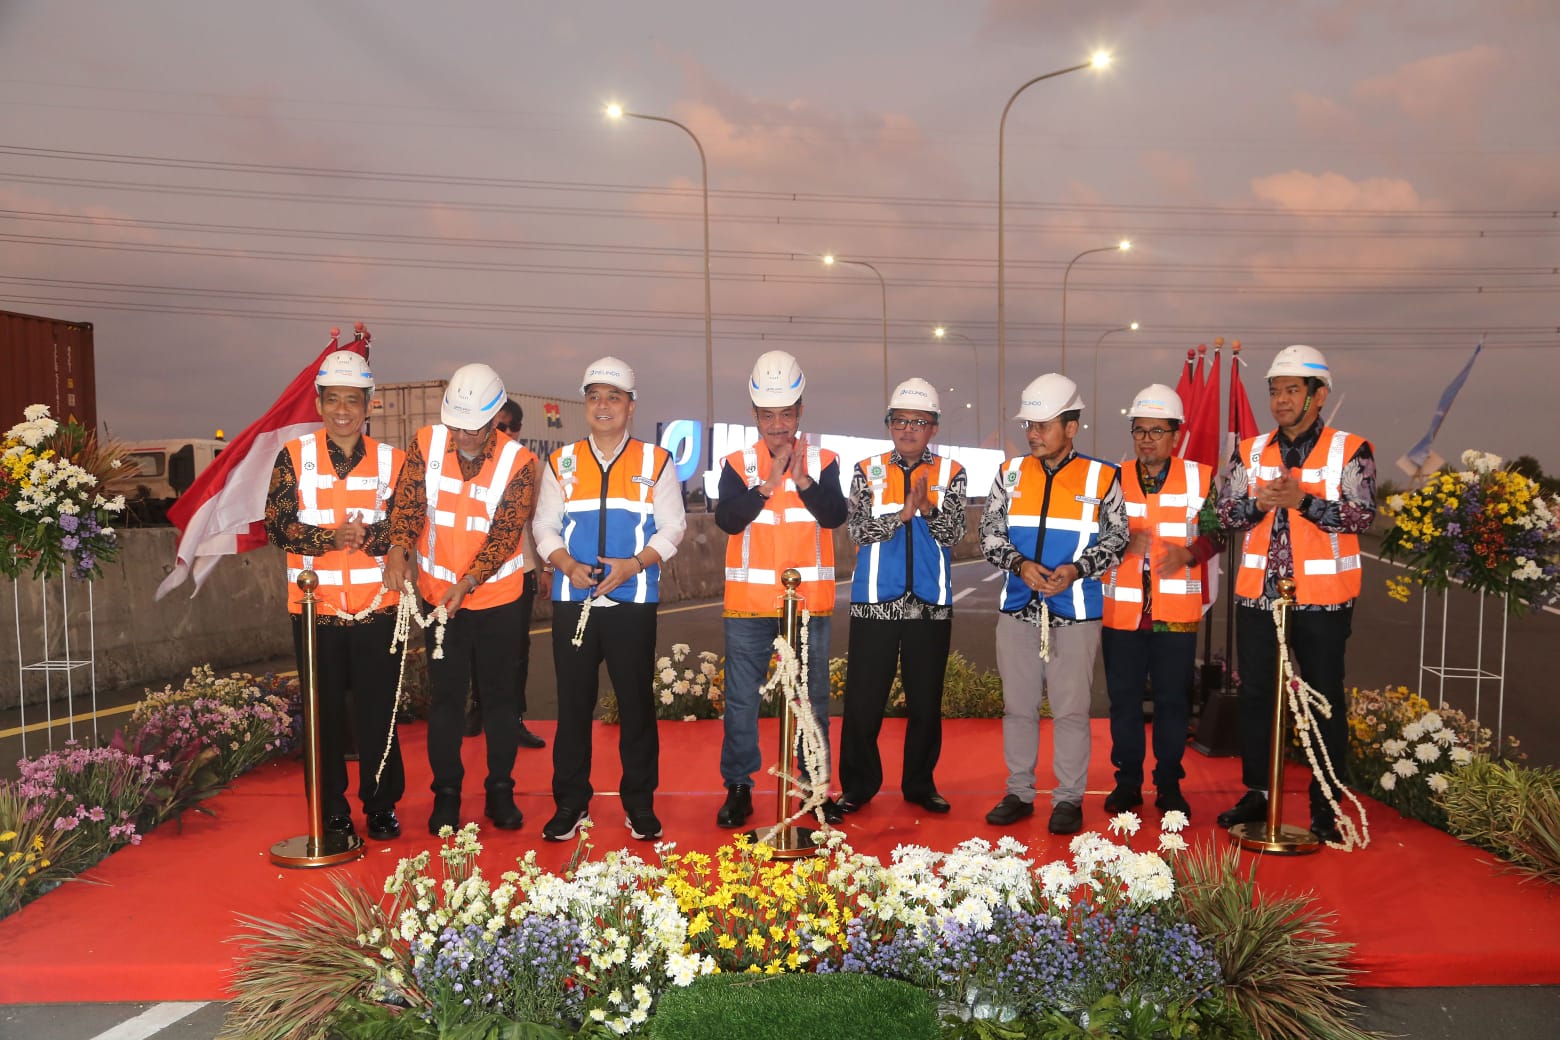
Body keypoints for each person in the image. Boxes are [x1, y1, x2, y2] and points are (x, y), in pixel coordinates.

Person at [1214, 345, 1376, 844]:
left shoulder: (1352, 449)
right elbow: (1223, 515)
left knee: (1324, 698)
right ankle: (1260, 792)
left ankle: (1327, 801)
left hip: (1323, 601)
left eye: (1291, 390)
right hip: (1259, 600)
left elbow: (1364, 516)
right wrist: (1256, 503)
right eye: (1274, 391)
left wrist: (1303, 502)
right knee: (1259, 696)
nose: (1281, 400)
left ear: (1318, 395)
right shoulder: (1249, 451)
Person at [532, 357, 686, 843]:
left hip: (633, 601)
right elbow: (543, 526)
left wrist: (633, 565)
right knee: (573, 708)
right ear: (586, 404)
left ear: (630, 406)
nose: (603, 406)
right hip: (572, 602)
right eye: (594, 396)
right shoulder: (563, 461)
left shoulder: (656, 462)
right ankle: (570, 803)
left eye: (613, 397)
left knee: (636, 707)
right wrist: (565, 563)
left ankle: (639, 805)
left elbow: (673, 528)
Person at [383, 363, 539, 836]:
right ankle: (446, 795)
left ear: (496, 418)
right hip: (436, 598)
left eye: (476, 427)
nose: (465, 435)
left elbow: (504, 535)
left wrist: (468, 582)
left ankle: (500, 791)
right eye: (458, 425)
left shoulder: (520, 463)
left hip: (497, 599)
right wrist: (397, 549)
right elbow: (407, 506)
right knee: (447, 699)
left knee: (498, 699)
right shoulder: (427, 443)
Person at [264, 344, 406, 842]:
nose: (343, 410)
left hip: (378, 611)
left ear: (369, 406)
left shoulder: (395, 461)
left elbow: (410, 520)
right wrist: (330, 539)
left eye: (354, 400)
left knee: (379, 713)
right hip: (314, 610)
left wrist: (375, 540)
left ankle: (382, 804)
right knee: (322, 718)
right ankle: (331, 810)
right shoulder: (294, 457)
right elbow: (278, 525)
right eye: (333, 400)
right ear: (319, 404)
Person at [980, 373, 1127, 835]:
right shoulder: (1009, 473)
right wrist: (1019, 564)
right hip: (1018, 609)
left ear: (1071, 426)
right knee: (1018, 709)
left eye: (1043, 424)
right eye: (1029, 425)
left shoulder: (1103, 477)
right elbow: (989, 534)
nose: (1033, 434)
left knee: (1070, 711)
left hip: (1076, 612)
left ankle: (1068, 799)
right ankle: (1019, 792)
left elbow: (1118, 538)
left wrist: (1078, 570)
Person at [714, 350, 849, 829]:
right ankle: (739, 787)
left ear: (800, 413)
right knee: (742, 701)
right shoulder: (735, 464)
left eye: (785, 414)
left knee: (810, 698)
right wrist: (768, 484)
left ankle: (814, 789)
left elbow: (835, 515)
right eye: (768, 415)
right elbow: (727, 519)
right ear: (754, 415)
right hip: (749, 607)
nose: (777, 424)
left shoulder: (826, 461)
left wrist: (803, 479)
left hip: (808, 606)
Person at [838, 378, 967, 816]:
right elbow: (856, 529)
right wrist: (903, 515)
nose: (908, 429)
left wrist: (928, 510)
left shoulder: (952, 473)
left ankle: (920, 784)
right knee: (862, 701)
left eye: (919, 422)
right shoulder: (865, 469)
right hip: (875, 600)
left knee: (926, 702)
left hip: (930, 604)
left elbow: (956, 534)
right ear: (888, 424)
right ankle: (857, 786)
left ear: (933, 427)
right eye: (900, 421)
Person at [1099, 384, 1222, 821]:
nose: (1146, 439)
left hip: (1176, 617)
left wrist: (1189, 554)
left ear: (1176, 435)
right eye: (1139, 431)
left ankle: (1169, 785)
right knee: (1124, 703)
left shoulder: (1200, 478)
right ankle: (1128, 783)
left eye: (1156, 431)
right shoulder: (1112, 478)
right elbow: (1095, 536)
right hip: (1122, 615)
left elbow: (1218, 532)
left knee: (1172, 703)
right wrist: (1119, 542)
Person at [465, 398, 548, 751]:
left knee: (516, 650)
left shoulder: (530, 465)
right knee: (471, 647)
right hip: (472, 574)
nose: (503, 433)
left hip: (519, 571)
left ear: (518, 430)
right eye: (496, 427)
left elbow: (539, 522)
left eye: (509, 427)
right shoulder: (466, 464)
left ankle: (513, 718)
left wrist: (544, 569)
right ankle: (477, 709)